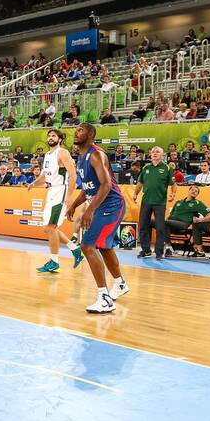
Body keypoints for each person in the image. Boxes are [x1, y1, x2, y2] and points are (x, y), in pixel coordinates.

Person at [65, 123, 128, 314]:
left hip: (112, 204)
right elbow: (88, 188)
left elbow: (106, 185)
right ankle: (120, 283)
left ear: (91, 134)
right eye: (75, 130)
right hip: (102, 204)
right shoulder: (81, 158)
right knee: (103, 246)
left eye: (81, 130)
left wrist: (89, 211)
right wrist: (75, 205)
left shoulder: (96, 155)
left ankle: (105, 298)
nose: (76, 132)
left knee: (87, 245)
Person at [27, 128, 83, 272]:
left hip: (61, 191)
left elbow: (73, 175)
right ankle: (75, 249)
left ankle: (54, 261)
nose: (50, 138)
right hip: (51, 191)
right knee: (49, 228)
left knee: (51, 227)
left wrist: (69, 195)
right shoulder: (47, 154)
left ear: (60, 139)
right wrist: (34, 183)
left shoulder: (62, 153)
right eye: (49, 136)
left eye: (54, 136)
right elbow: (45, 175)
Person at [133, 146, 175, 259]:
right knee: (143, 226)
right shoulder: (146, 167)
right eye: (153, 152)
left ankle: (159, 252)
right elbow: (140, 183)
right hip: (146, 201)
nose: (155, 153)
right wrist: (135, 193)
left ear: (162, 155)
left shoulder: (167, 168)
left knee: (160, 227)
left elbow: (173, 184)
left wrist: (173, 193)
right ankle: (146, 250)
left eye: (157, 152)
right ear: (150, 155)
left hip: (160, 202)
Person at [166, 185, 210, 257]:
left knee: (164, 222)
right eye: (192, 190)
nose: (194, 191)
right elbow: (170, 215)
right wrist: (166, 218)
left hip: (184, 224)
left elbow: (209, 214)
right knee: (149, 221)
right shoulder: (178, 202)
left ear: (197, 194)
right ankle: (147, 248)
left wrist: (196, 222)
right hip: (171, 222)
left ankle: (168, 247)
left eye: (196, 191)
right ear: (189, 191)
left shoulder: (198, 203)